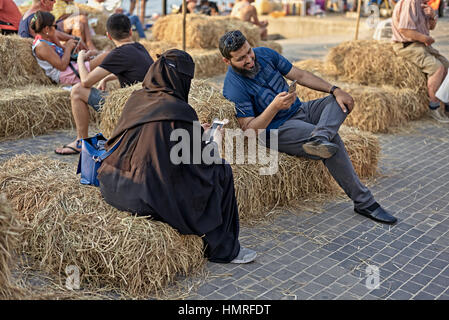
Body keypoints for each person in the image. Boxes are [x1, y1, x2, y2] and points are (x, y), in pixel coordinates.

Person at [219, 30, 398, 224]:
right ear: (227, 61)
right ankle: (364, 202)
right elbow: (249, 131)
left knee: (339, 101)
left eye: (249, 52)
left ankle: (320, 137)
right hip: (276, 129)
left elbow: (300, 75)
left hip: (301, 109)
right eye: (241, 59)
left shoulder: (265, 53)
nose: (249, 60)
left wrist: (335, 90)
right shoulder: (233, 86)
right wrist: (274, 107)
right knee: (332, 142)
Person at [96, 49, 257, 264]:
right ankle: (224, 249)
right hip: (143, 198)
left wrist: (193, 130)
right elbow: (201, 164)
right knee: (221, 171)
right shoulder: (178, 109)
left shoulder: (137, 98)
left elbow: (155, 137)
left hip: (112, 185)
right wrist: (212, 139)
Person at [55, 13, 153, 155]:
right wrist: (106, 78)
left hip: (132, 110)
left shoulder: (117, 53)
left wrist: (81, 60)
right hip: (148, 105)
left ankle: (80, 141)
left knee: (77, 90)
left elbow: (85, 81)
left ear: (108, 35)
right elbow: (133, 69)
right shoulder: (139, 47)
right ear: (131, 31)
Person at [392, 0, 449, 122]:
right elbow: (404, 30)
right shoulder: (410, 2)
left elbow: (431, 27)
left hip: (420, 44)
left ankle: (444, 104)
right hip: (407, 45)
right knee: (437, 68)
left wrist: (433, 16)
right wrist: (425, 38)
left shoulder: (422, 4)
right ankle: (434, 108)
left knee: (446, 64)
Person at [31, 11, 108, 86]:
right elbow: (62, 66)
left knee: (97, 55)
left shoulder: (46, 38)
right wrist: (68, 47)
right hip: (65, 75)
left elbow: (62, 51)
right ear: (47, 29)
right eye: (55, 26)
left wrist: (78, 50)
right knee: (105, 56)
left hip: (70, 67)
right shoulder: (41, 46)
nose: (56, 29)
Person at [19, 0, 88, 51]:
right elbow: (54, 38)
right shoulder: (37, 19)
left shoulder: (30, 14)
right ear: (44, 2)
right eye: (52, 0)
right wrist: (69, 47)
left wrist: (75, 39)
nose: (55, 1)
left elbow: (55, 33)